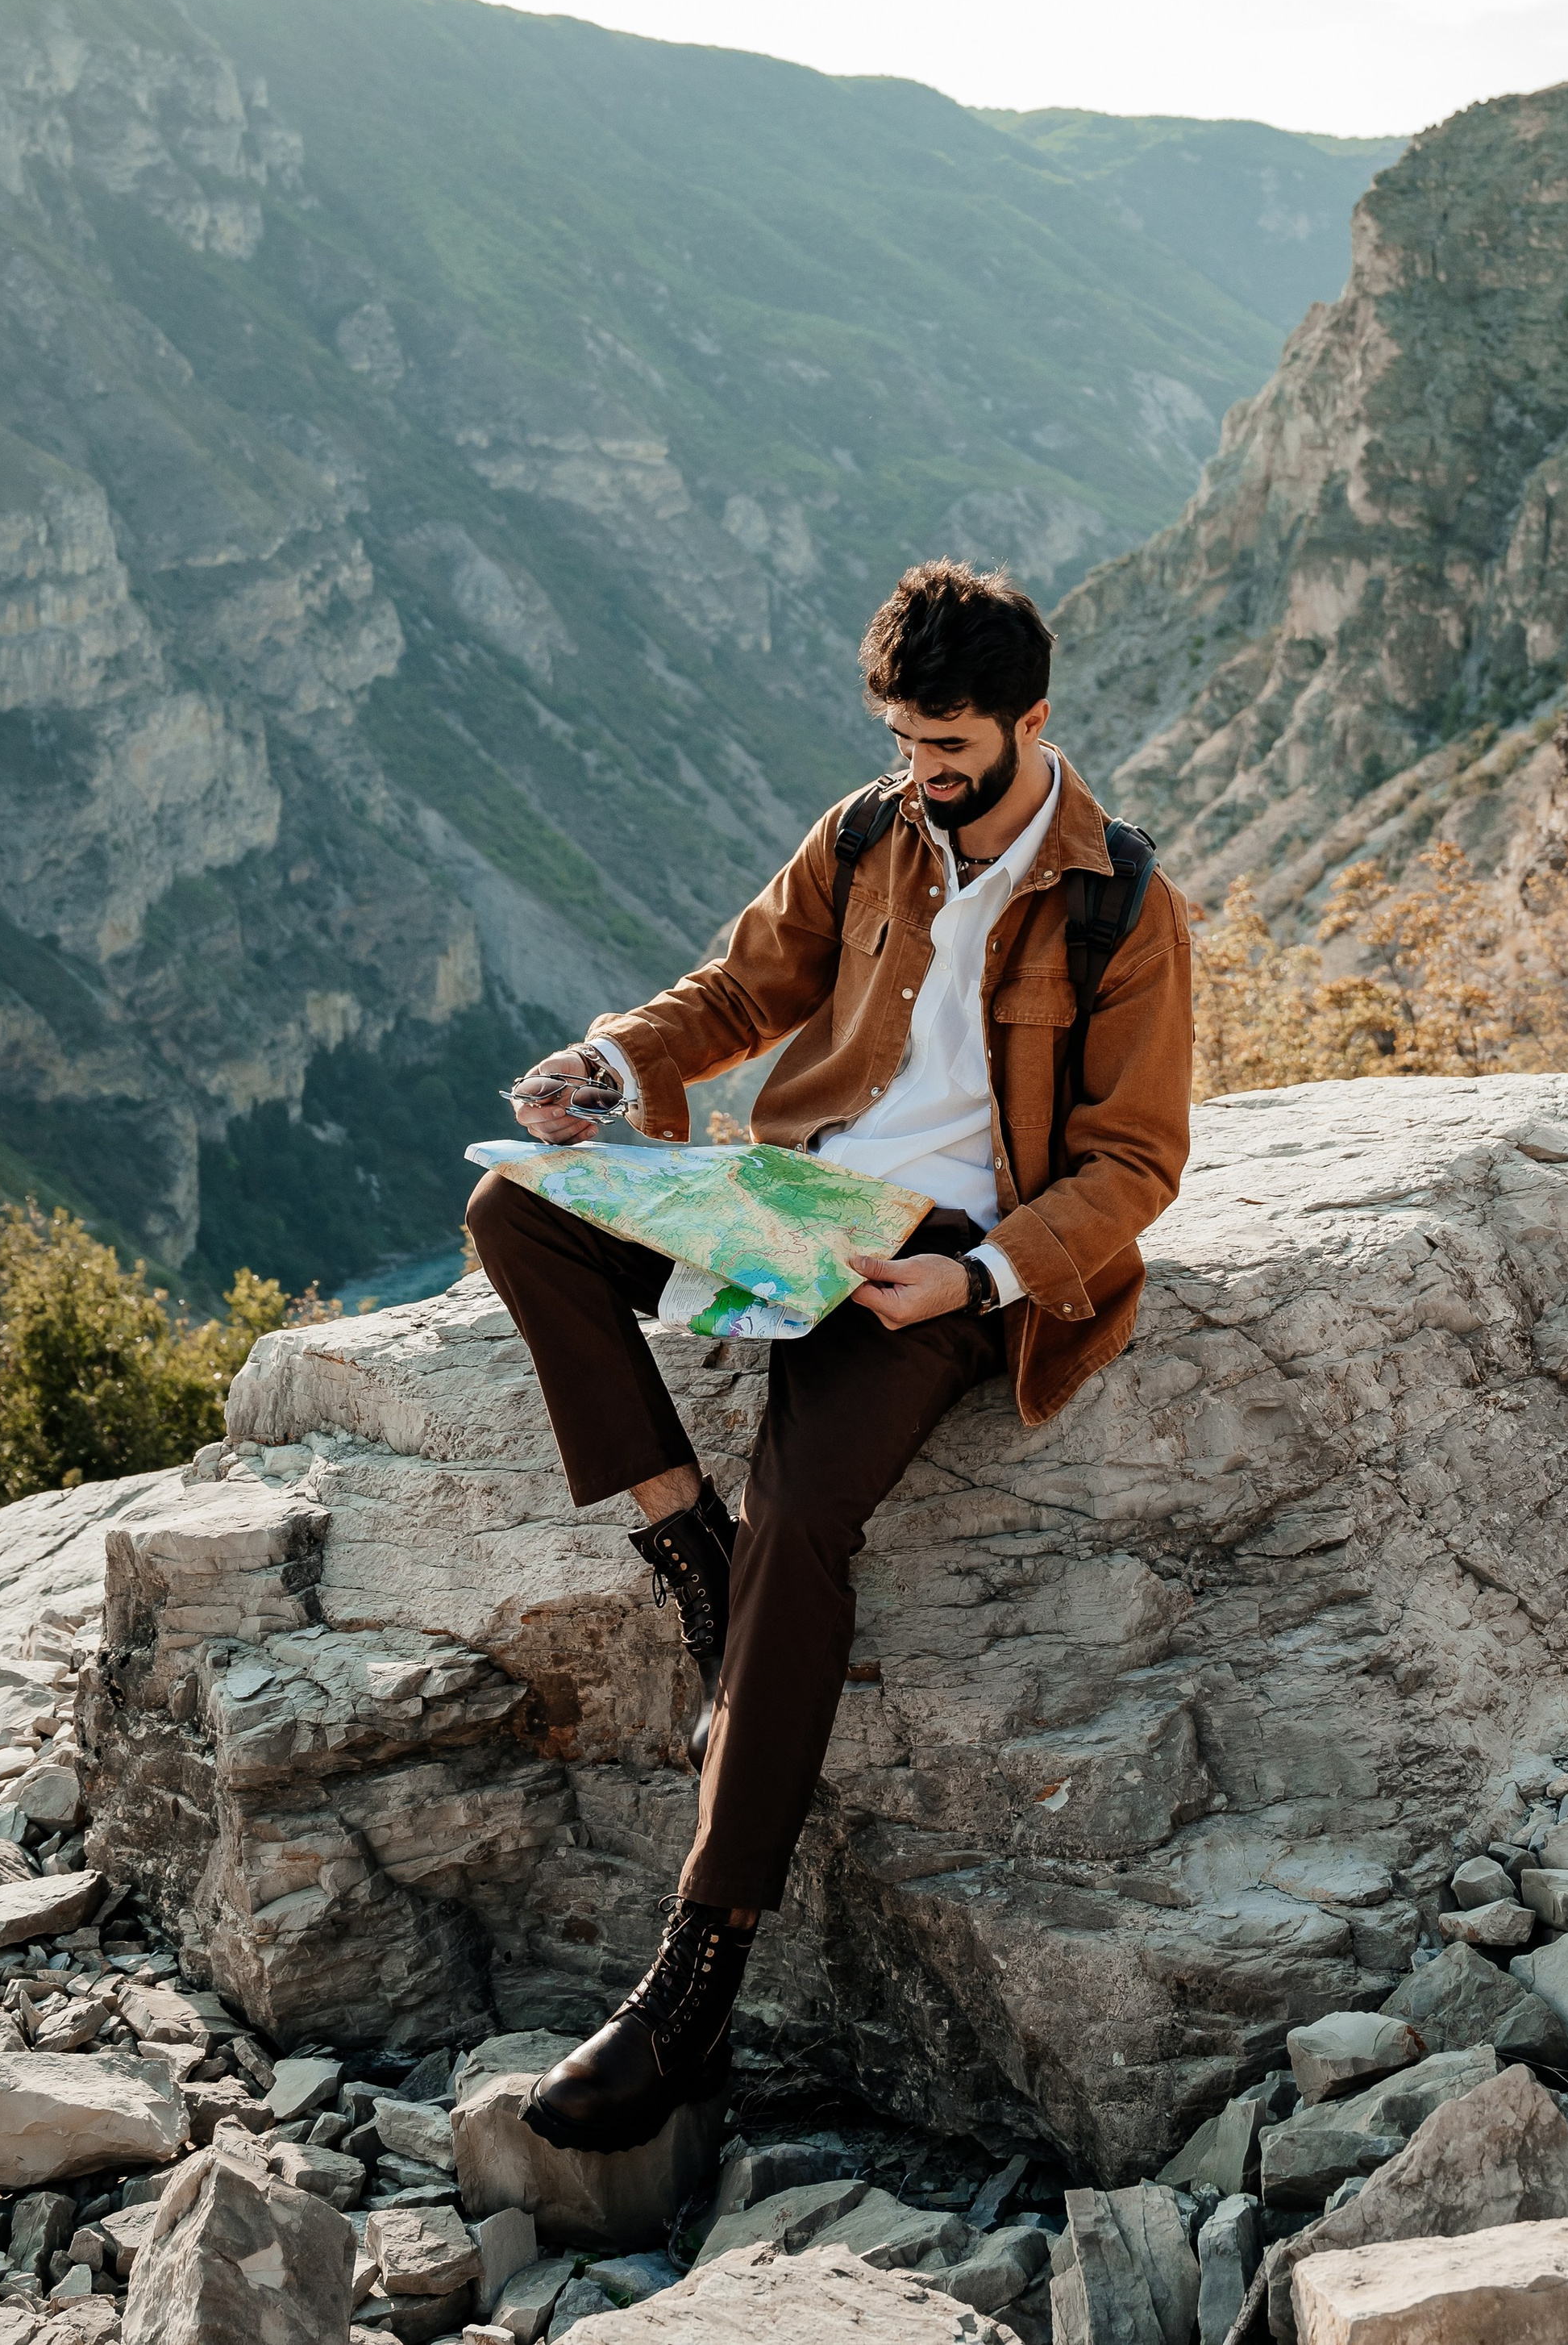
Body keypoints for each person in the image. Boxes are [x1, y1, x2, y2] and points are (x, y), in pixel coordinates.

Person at [465, 558, 1193, 2153]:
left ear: (1029, 722)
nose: (919, 777)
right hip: (789, 1194)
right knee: (517, 1212)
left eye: (947, 749)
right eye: (899, 741)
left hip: (938, 1254)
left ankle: (693, 1977)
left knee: (809, 1520)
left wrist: (981, 1280)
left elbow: (1134, 1165)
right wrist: (607, 1058)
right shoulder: (868, 835)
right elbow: (742, 988)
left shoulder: (1118, 904)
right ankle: (687, 1551)